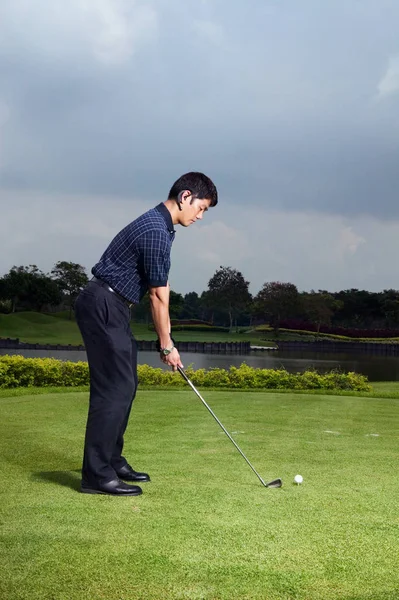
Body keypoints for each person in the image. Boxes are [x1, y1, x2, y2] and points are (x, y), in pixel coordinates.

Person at [74, 172, 218, 496]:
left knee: (126, 385)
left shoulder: (162, 227)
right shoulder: (155, 230)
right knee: (114, 389)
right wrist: (167, 345)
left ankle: (111, 459)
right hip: (104, 303)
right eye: (202, 207)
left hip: (114, 305)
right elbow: (158, 295)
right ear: (185, 196)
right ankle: (96, 476)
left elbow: (159, 290)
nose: (200, 216)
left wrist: (165, 341)